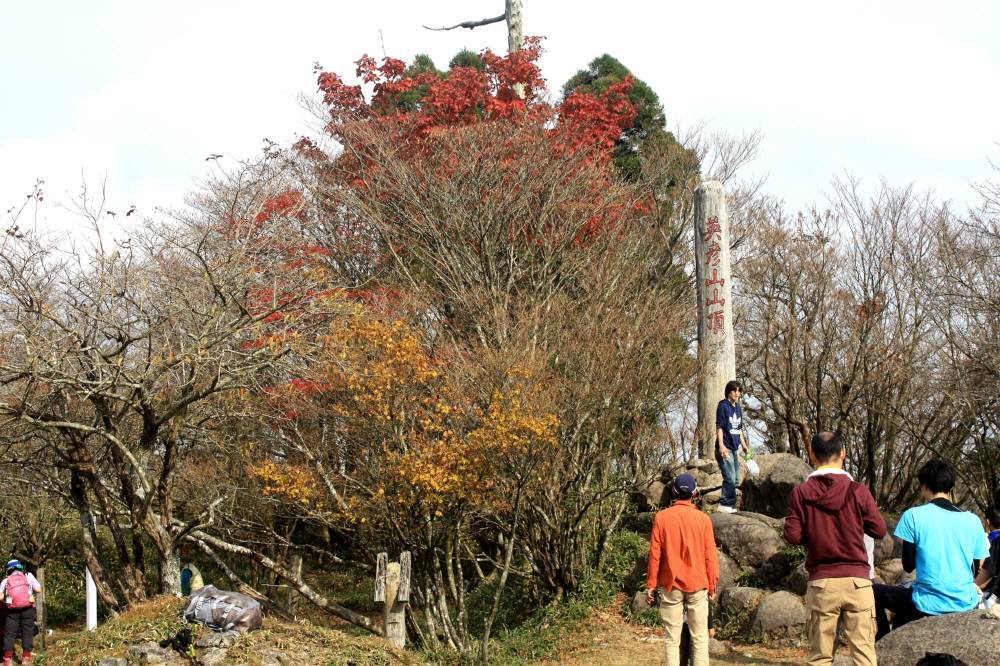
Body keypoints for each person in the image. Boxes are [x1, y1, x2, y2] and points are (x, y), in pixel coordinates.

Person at [784, 432, 886, 666]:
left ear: (812, 455)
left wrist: (815, 530)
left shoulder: (801, 493)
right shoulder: (858, 491)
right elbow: (879, 530)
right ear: (843, 453)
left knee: (820, 657)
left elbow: (792, 535)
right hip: (857, 582)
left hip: (822, 583)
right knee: (864, 656)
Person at [874, 459, 989, 639]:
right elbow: (976, 567)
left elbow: (908, 566)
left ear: (924, 485)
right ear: (950, 486)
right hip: (966, 603)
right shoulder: (973, 520)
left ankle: (883, 642)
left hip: (926, 604)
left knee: (875, 591)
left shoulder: (913, 515)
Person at [646, 473, 719, 666]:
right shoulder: (703, 520)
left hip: (671, 586)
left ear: (674, 492)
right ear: (695, 493)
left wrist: (651, 585)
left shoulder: (661, 518)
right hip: (697, 584)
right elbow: (710, 556)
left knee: (672, 639)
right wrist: (712, 585)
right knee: (700, 638)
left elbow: (655, 555)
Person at [0, 560, 41, 666]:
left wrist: (7, 597)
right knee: (27, 632)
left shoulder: (6, 580)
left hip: (12, 611)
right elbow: (39, 589)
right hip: (28, 608)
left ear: (9, 569)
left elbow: (0, 597)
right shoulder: (28, 576)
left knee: (9, 634)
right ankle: (26, 659)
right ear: (20, 567)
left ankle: (7, 660)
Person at [715, 380, 746, 513]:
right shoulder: (723, 406)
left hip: (734, 448)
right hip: (725, 447)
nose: (737, 393)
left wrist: (744, 445)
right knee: (730, 477)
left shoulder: (738, 408)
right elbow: (720, 427)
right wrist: (721, 445)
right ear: (729, 391)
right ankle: (725, 504)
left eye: (739, 391)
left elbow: (739, 429)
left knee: (736, 479)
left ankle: (730, 505)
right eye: (734, 390)